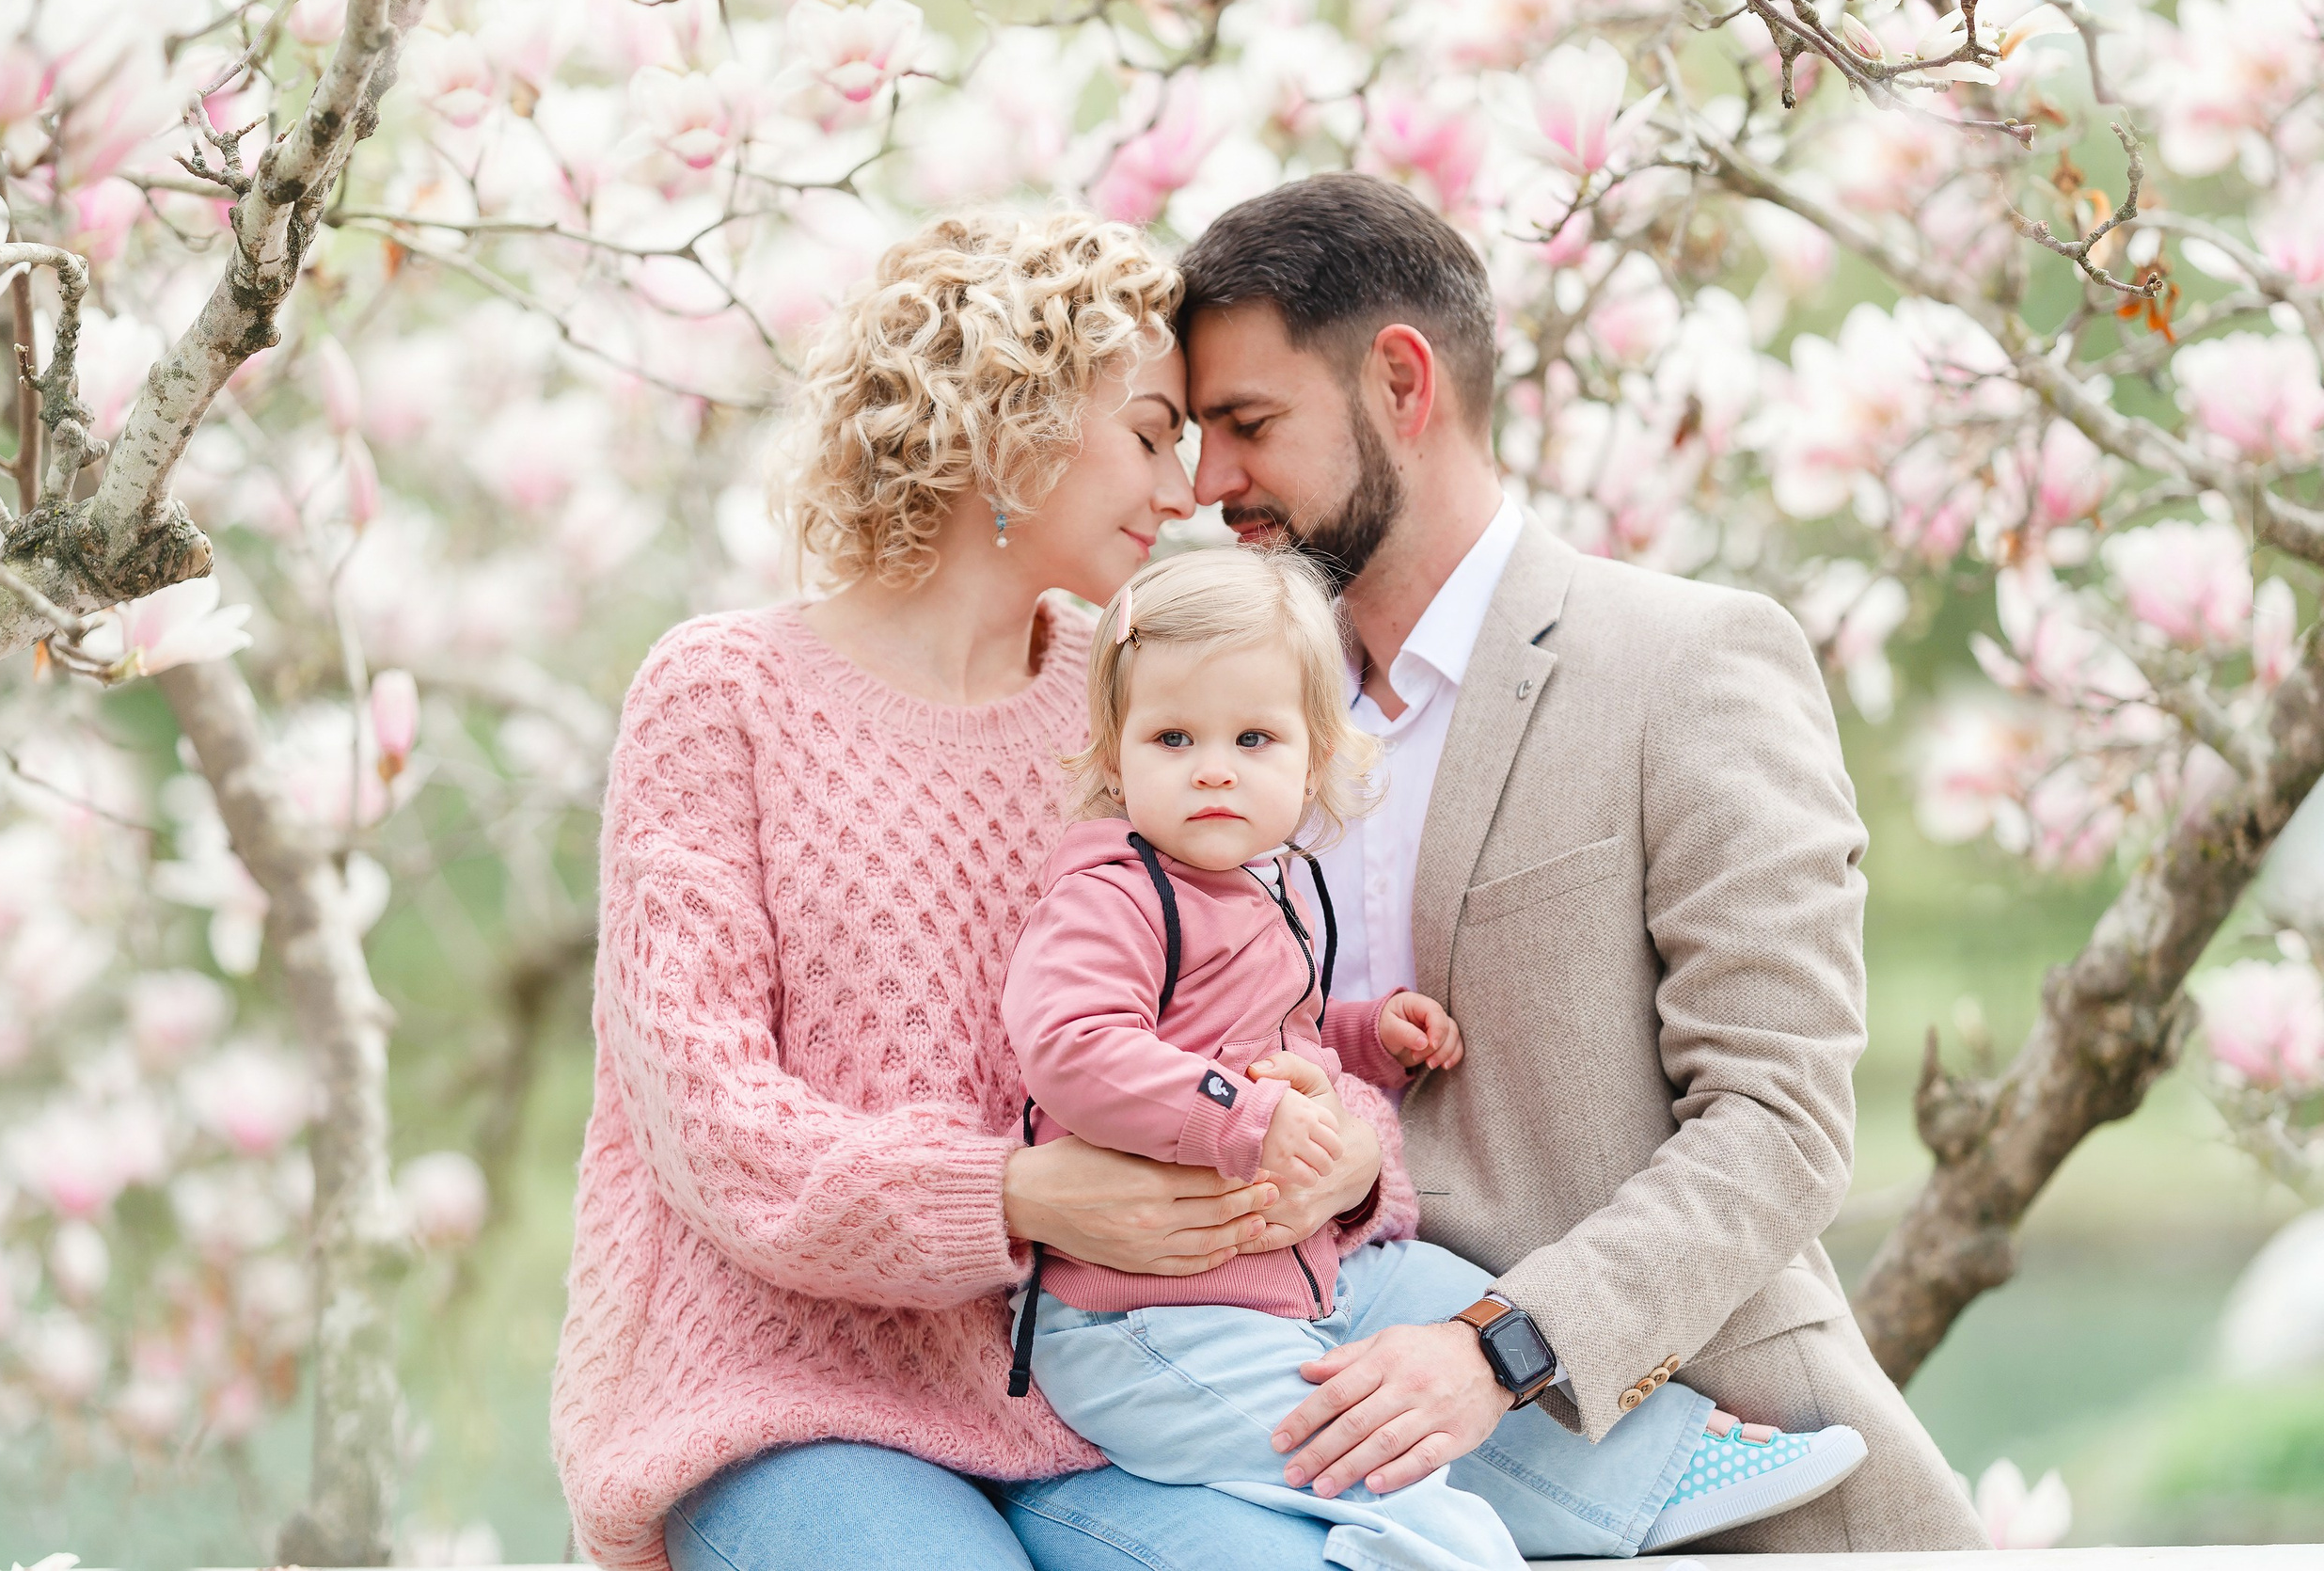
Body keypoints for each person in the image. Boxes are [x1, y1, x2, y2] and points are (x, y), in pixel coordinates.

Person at [550, 209, 1406, 1571]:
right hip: (792, 1401)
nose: (1186, 489)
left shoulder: (1127, 703)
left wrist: (1353, 1155)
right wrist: (1017, 1196)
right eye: (1146, 432)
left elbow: (1264, 1006)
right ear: (1004, 420)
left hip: (1098, 1392)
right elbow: (709, 1124)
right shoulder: (722, 693)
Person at [1171, 172, 1993, 1552]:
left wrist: (1498, 1347)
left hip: (1706, 1484)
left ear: (1400, 382)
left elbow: (1780, 1123)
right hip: (1344, 1492)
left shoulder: (1691, 662)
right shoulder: (1221, 735)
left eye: (1247, 425)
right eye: (1197, 434)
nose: (1210, 486)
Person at [1003, 547, 1869, 1571]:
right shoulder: (1114, 894)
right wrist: (1239, 1112)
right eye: (1173, 736)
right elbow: (1071, 1044)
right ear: (1115, 757)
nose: (1213, 767)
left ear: (1314, 757)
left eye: (1253, 737)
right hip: (1142, 1324)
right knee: (1389, 1468)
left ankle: (1644, 1473)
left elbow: (1271, 1027)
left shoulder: (1254, 886)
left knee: (1445, 1291)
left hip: (1290, 1276)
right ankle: (1456, 1536)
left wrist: (1365, 1035)